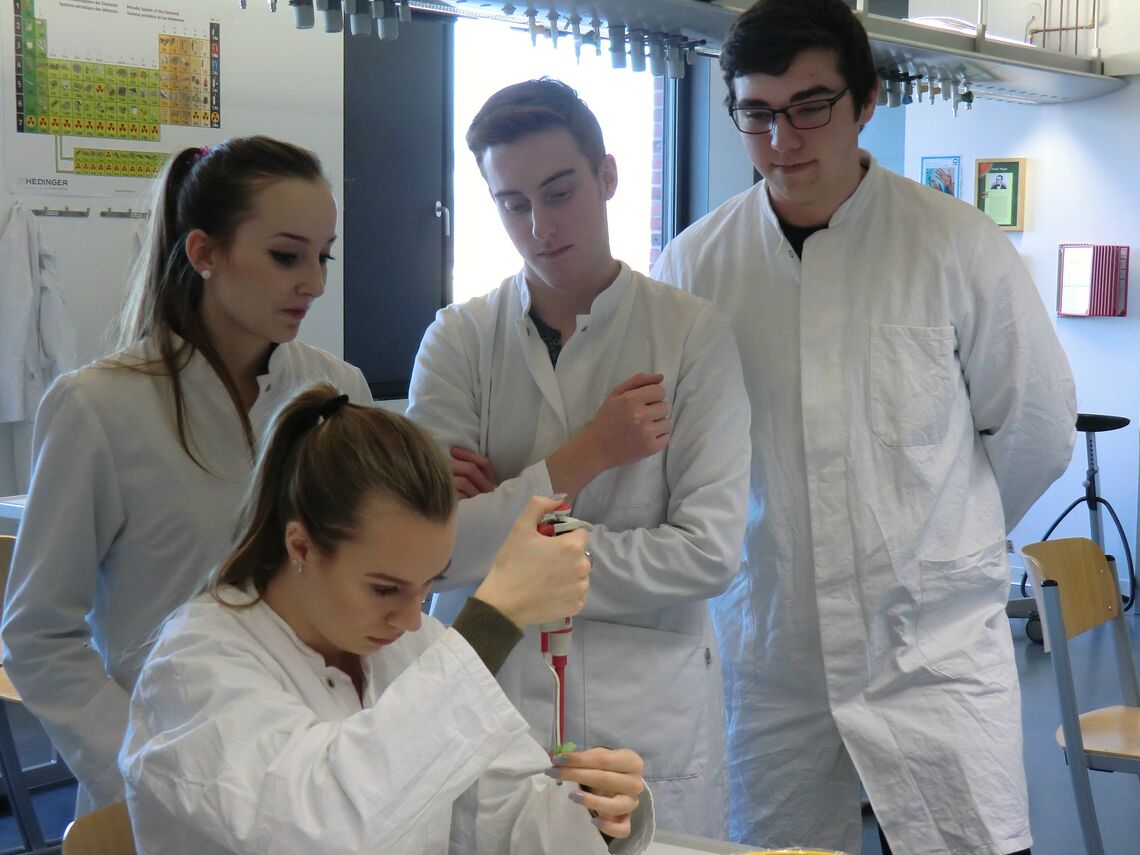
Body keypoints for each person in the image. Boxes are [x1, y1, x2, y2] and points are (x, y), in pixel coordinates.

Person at [651, 2, 1077, 853]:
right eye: (756, 114)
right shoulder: (696, 266)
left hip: (932, 648)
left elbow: (1034, 427)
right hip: (772, 651)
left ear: (867, 99)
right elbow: (684, 456)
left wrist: (943, 541)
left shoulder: (953, 244)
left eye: (810, 106)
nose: (783, 140)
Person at [406, 78, 750, 838]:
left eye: (560, 193)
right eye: (513, 204)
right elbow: (428, 551)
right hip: (490, 700)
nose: (540, 226)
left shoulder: (690, 336)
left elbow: (708, 553)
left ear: (608, 177)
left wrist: (508, 527)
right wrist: (588, 454)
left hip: (645, 707)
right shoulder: (457, 341)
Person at [2, 136, 372, 816]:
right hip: (160, 782)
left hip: (315, 772)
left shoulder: (337, 390)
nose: (315, 283)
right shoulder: (99, 406)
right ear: (204, 252)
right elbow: (37, 636)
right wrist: (144, 766)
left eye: (323, 256)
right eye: (286, 255)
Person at [121, 384, 653, 855]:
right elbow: (324, 828)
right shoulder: (194, 667)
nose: (410, 621)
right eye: (384, 589)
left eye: (426, 587)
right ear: (301, 546)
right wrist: (495, 619)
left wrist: (592, 810)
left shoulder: (406, 646)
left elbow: (495, 817)